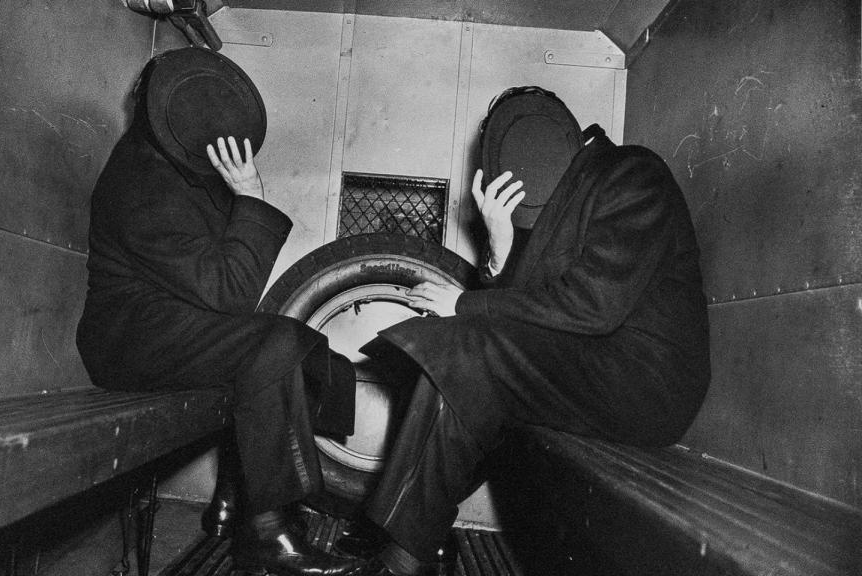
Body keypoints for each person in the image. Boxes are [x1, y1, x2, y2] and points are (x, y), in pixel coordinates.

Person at [339, 87, 711, 576]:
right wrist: (500, 244)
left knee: (470, 349)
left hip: (647, 383)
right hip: (591, 364)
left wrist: (464, 302)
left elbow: (593, 306)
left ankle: (406, 547)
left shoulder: (631, 172)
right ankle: (410, 540)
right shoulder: (552, 202)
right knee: (456, 354)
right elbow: (525, 318)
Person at [75, 47, 359, 576]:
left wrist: (239, 199)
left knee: (307, 351)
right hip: (128, 339)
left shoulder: (175, 168)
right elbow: (231, 291)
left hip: (168, 325)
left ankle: (235, 501)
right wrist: (250, 194)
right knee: (273, 344)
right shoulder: (140, 182)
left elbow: (220, 286)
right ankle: (268, 535)